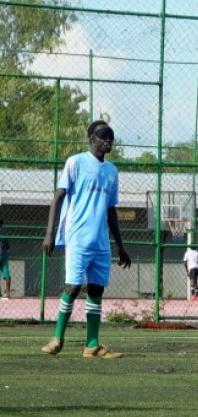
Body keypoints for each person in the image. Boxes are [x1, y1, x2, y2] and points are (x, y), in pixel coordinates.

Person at [40, 120, 132, 358]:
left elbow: (111, 210)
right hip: (77, 237)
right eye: (103, 136)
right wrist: (50, 233)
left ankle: (92, 345)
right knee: (72, 287)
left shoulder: (112, 171)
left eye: (111, 136)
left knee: (96, 291)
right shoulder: (76, 162)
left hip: (100, 242)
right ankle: (57, 338)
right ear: (92, 138)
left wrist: (120, 245)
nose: (108, 140)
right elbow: (58, 198)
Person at [0, 219, 10, 300]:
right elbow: (8, 245)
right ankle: (8, 293)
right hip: (3, 255)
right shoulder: (4, 232)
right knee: (6, 273)